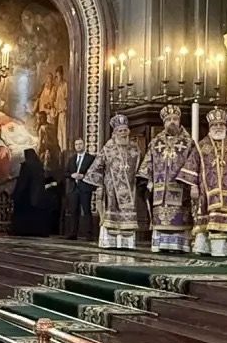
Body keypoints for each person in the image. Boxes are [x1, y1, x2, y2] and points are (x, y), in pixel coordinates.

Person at [177, 107, 227, 257]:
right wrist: (193, 186)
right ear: (210, 127)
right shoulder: (201, 146)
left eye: (221, 125)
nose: (218, 127)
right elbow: (192, 166)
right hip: (206, 193)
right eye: (215, 125)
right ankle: (206, 248)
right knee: (207, 221)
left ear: (226, 126)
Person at [138, 105, 195, 253]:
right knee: (161, 218)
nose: (172, 122)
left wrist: (189, 181)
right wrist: (147, 179)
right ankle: (161, 244)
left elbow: (194, 163)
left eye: (175, 119)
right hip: (159, 189)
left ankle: (180, 245)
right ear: (163, 122)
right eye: (168, 119)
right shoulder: (156, 142)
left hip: (180, 188)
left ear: (180, 121)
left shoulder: (189, 142)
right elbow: (148, 161)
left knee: (180, 218)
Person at [84, 114, 142, 249]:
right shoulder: (107, 149)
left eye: (125, 130)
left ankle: (126, 244)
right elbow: (96, 167)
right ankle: (110, 242)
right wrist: (99, 186)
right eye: (120, 131)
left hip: (130, 187)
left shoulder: (135, 149)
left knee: (127, 213)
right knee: (112, 213)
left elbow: (140, 168)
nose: (123, 133)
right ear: (115, 133)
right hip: (111, 189)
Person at [11, 148, 51, 236]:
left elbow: (23, 181)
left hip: (27, 195)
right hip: (39, 195)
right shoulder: (39, 165)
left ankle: (24, 231)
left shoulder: (26, 165)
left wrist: (16, 193)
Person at [65, 138, 95, 240]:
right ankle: (73, 233)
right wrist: (72, 175)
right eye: (76, 144)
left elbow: (94, 172)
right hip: (74, 188)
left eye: (80, 144)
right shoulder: (71, 159)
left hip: (85, 187)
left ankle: (89, 234)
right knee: (74, 211)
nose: (78, 146)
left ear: (84, 145)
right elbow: (66, 172)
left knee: (86, 211)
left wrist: (83, 176)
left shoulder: (90, 158)